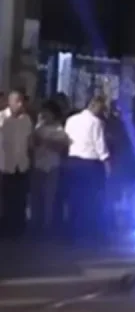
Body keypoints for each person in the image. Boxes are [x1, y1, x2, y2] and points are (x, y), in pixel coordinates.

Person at [64, 96, 110, 242]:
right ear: (94, 106)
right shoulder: (96, 123)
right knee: (90, 198)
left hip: (72, 161)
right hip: (90, 164)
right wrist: (107, 163)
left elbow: (66, 139)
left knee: (74, 198)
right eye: (101, 108)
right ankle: (88, 231)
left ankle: (71, 231)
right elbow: (100, 145)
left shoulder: (71, 120)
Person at [31, 100, 70, 234]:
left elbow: (61, 147)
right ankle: (35, 224)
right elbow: (32, 144)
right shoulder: (38, 127)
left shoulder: (59, 129)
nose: (45, 115)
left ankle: (47, 226)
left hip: (52, 166)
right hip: (38, 165)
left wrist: (46, 142)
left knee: (49, 198)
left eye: (48, 113)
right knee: (36, 197)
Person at [0, 90, 34, 237]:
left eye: (22, 101)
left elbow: (29, 140)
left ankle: (17, 228)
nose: (21, 104)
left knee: (19, 198)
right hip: (4, 164)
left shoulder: (26, 120)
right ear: (10, 102)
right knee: (4, 199)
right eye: (17, 101)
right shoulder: (2, 118)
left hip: (21, 164)